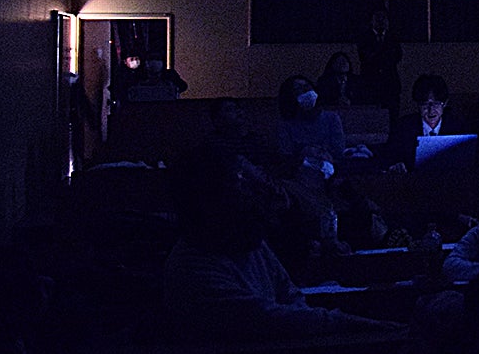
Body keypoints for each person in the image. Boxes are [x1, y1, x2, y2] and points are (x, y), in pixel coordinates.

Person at [162, 140, 397, 341]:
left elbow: (290, 295)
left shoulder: (248, 240)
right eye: (240, 184)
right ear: (212, 201)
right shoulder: (193, 267)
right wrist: (357, 325)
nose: (252, 196)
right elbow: (267, 318)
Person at [386, 74, 457, 172]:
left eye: (436, 104)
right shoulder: (403, 127)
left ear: (445, 104)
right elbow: (389, 157)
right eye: (425, 104)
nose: (431, 110)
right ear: (418, 105)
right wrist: (396, 165)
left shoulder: (457, 126)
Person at [276, 75, 345, 170]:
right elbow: (287, 155)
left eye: (307, 87)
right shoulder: (286, 124)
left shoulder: (332, 118)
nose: (305, 91)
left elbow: (338, 150)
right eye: (298, 89)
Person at [355, 9, 403, 123]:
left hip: (390, 83)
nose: (381, 21)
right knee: (372, 116)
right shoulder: (364, 38)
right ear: (372, 21)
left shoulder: (393, 37)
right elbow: (365, 57)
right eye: (377, 18)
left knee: (392, 116)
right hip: (370, 83)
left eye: (384, 18)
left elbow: (398, 56)